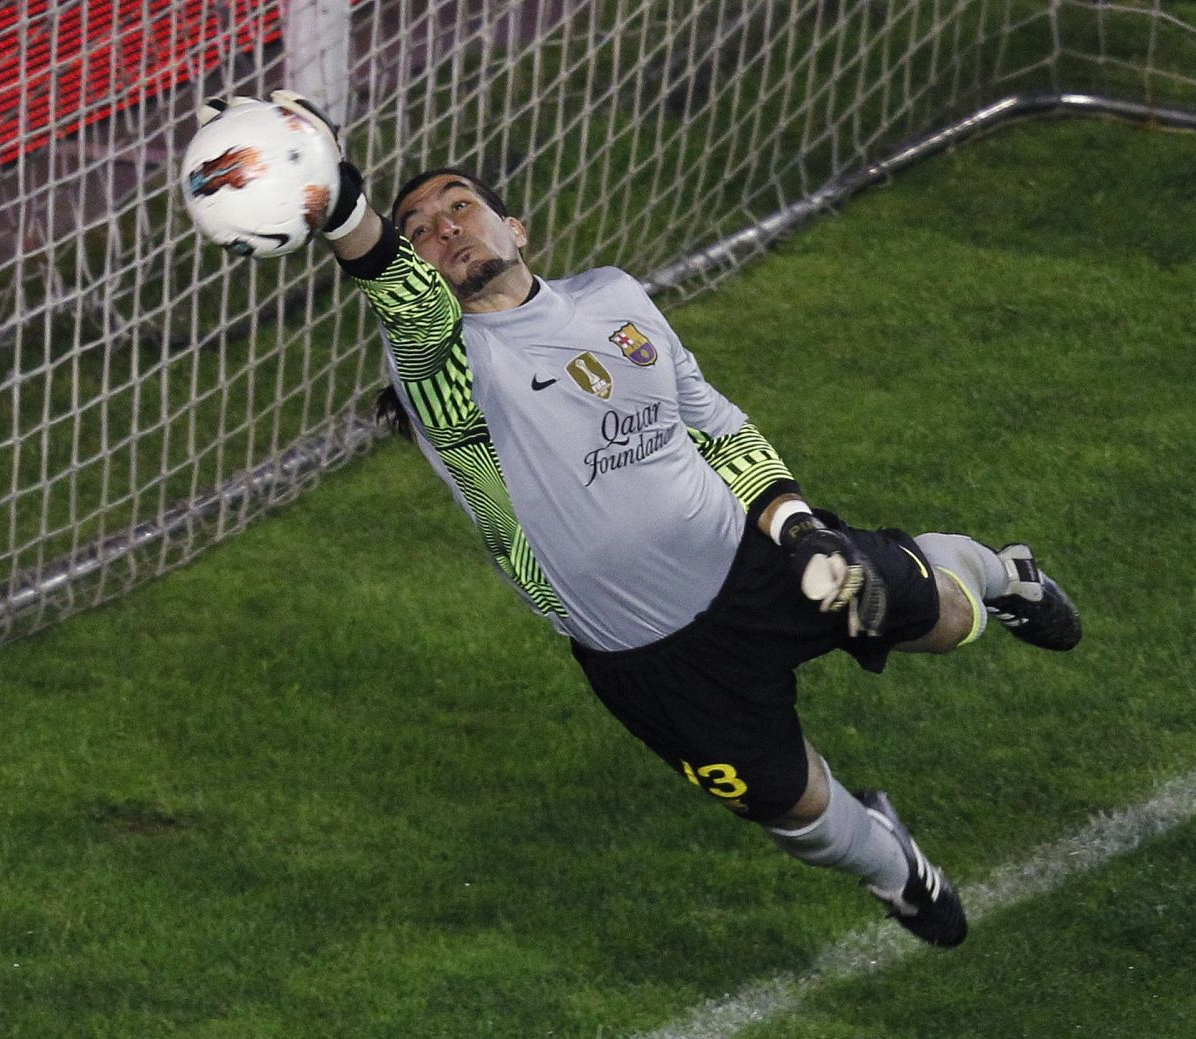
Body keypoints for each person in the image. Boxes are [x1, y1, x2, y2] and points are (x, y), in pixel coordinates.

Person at [224, 93, 1082, 948]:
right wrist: (335, 195)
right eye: (421, 229)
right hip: (651, 657)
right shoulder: (445, 371)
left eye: (461, 206)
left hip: (758, 557)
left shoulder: (614, 297)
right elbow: (395, 289)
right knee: (791, 803)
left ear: (515, 228)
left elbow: (715, 423)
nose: (446, 228)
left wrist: (798, 531)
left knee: (945, 621)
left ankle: (1007, 575)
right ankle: (893, 867)